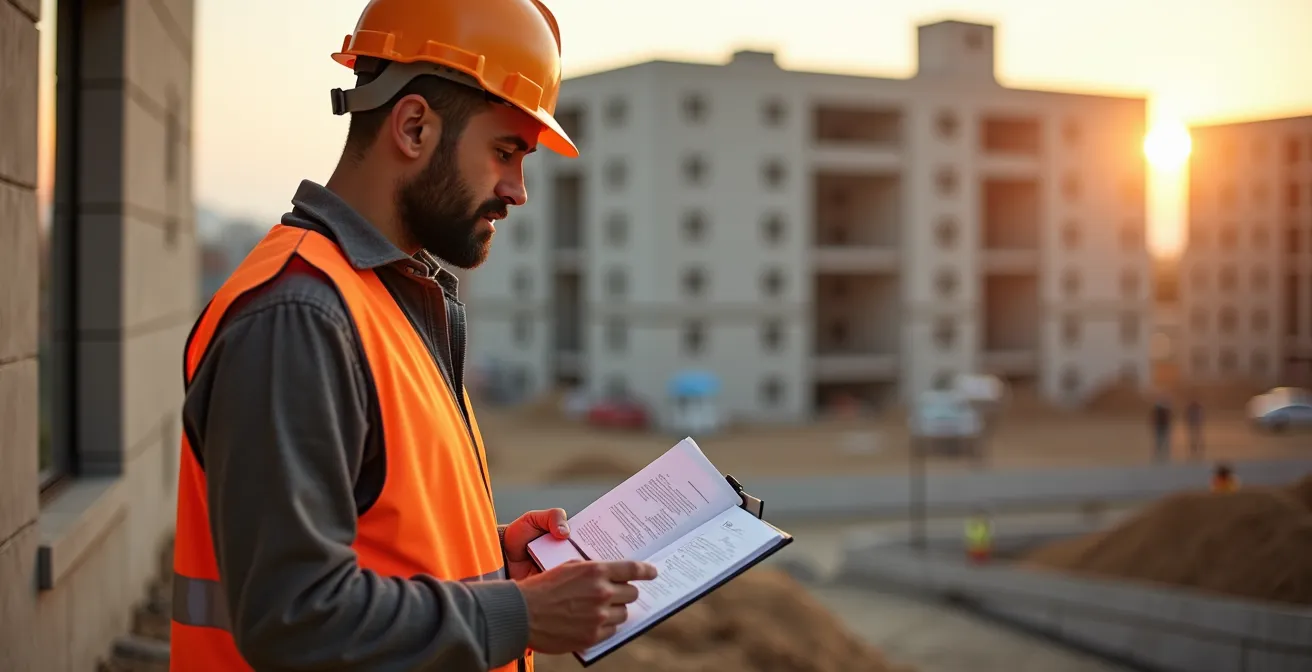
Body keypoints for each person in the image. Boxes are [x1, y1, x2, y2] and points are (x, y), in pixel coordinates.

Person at [168, 2, 657, 670]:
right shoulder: (300, 316)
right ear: (414, 127)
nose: (518, 191)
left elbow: (374, 537)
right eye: (505, 152)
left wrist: (494, 564)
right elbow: (295, 616)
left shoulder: (385, 298)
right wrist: (521, 614)